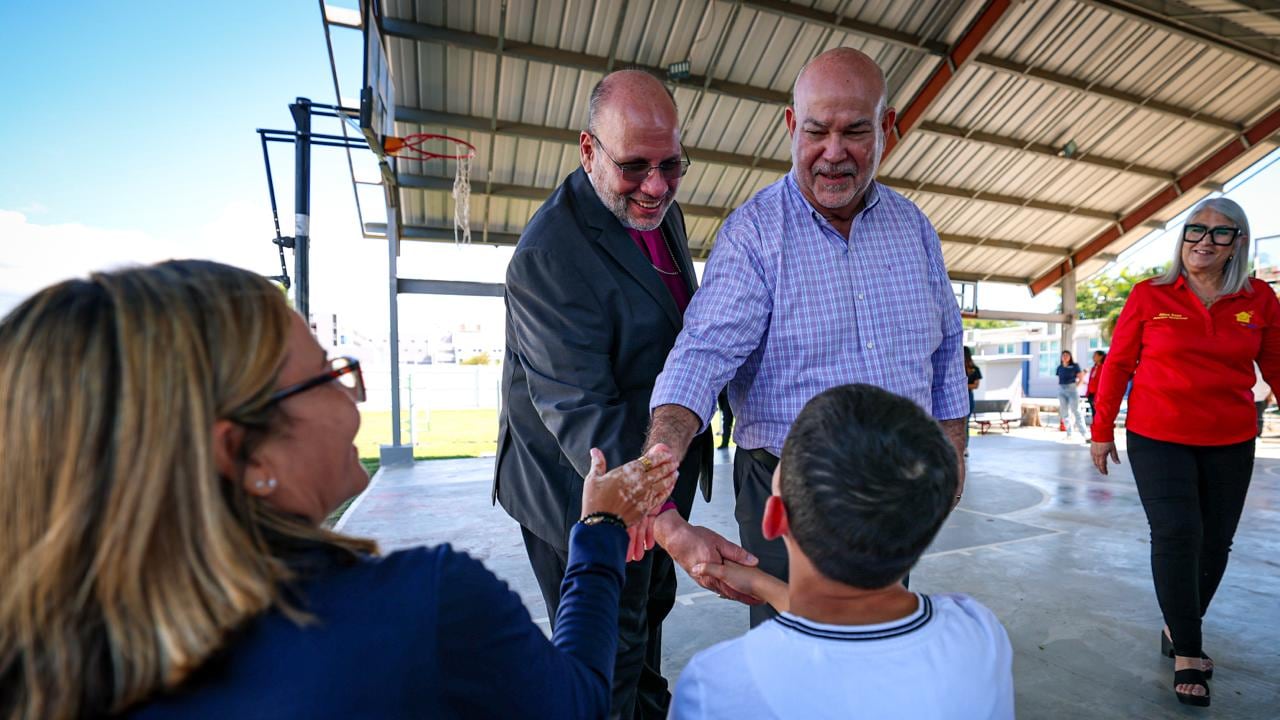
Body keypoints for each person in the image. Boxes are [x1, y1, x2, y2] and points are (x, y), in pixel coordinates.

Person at [0, 260, 680, 720]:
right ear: (243, 452)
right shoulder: (425, 613)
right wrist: (597, 533)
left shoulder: (45, 670)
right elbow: (578, 702)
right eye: (324, 377)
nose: (353, 398)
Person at [641, 47, 968, 626]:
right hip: (787, 492)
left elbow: (944, 350)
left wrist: (953, 447)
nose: (834, 152)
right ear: (791, 125)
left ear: (888, 129)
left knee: (878, 637)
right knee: (796, 660)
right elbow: (703, 354)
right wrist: (660, 460)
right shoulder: (754, 233)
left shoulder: (913, 227)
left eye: (856, 131)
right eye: (816, 130)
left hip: (895, 485)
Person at [494, 69, 751, 717]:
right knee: (603, 665)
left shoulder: (660, 211)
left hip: (656, 480)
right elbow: (583, 413)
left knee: (645, 625)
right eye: (636, 166)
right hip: (581, 492)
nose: (658, 185)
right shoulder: (548, 255)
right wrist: (668, 525)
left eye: (673, 165)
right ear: (588, 150)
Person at [668, 384, 1014, 719]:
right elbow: (851, 633)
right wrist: (762, 585)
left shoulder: (716, 684)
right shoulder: (979, 633)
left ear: (773, 519)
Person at [1091, 197, 1279, 708]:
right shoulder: (1150, 295)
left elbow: (1278, 364)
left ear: (1237, 243)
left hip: (1232, 439)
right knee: (1178, 533)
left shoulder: (1259, 299)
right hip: (1159, 435)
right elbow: (1119, 365)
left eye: (1220, 233)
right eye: (1196, 229)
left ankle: (1178, 627)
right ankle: (1189, 652)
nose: (1203, 240)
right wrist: (1101, 428)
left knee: (1215, 543)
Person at [1056, 350, 1085, 440]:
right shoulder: (1059, 367)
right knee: (1064, 413)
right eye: (1063, 355)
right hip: (1061, 390)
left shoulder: (1075, 366)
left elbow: (1081, 378)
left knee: (1076, 411)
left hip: (1072, 389)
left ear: (1070, 357)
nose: (1065, 356)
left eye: (1067, 355)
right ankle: (1069, 433)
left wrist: (1076, 386)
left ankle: (1084, 433)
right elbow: (1059, 379)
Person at [965, 346, 982, 455]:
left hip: (968, 397)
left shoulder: (974, 369)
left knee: (965, 422)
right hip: (965, 396)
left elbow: (975, 386)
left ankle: (965, 447)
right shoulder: (957, 369)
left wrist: (963, 386)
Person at [1085, 349, 1106, 420]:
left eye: (1095, 355)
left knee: (1098, 415)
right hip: (1091, 394)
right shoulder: (1094, 368)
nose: (1093, 357)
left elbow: (1102, 384)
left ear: (1101, 357)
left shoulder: (1104, 368)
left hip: (1098, 396)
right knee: (1093, 414)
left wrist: (1098, 396)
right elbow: (1091, 381)